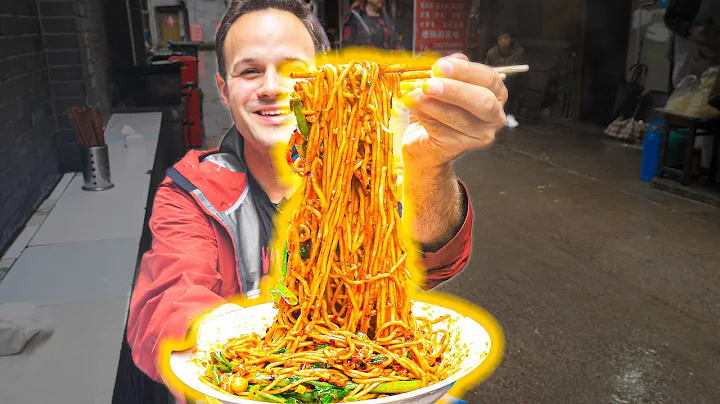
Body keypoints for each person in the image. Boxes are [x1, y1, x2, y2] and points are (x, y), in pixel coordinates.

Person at [127, 0, 508, 386]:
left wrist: (430, 165)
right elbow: (163, 302)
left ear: (324, 78)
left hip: (367, 377)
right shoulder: (191, 190)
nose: (272, 88)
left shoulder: (367, 176)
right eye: (250, 71)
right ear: (224, 90)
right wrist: (249, 357)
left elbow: (431, 259)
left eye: (293, 70)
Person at [664, 0, 720, 87]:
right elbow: (670, 18)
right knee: (685, 93)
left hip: (714, 57)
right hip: (689, 55)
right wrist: (691, 29)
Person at [485, 32, 524, 128]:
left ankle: (509, 114)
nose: (503, 41)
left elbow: (515, 68)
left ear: (511, 39)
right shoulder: (492, 52)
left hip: (513, 77)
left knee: (510, 83)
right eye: (501, 38)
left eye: (506, 38)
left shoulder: (518, 51)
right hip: (495, 76)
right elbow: (487, 66)